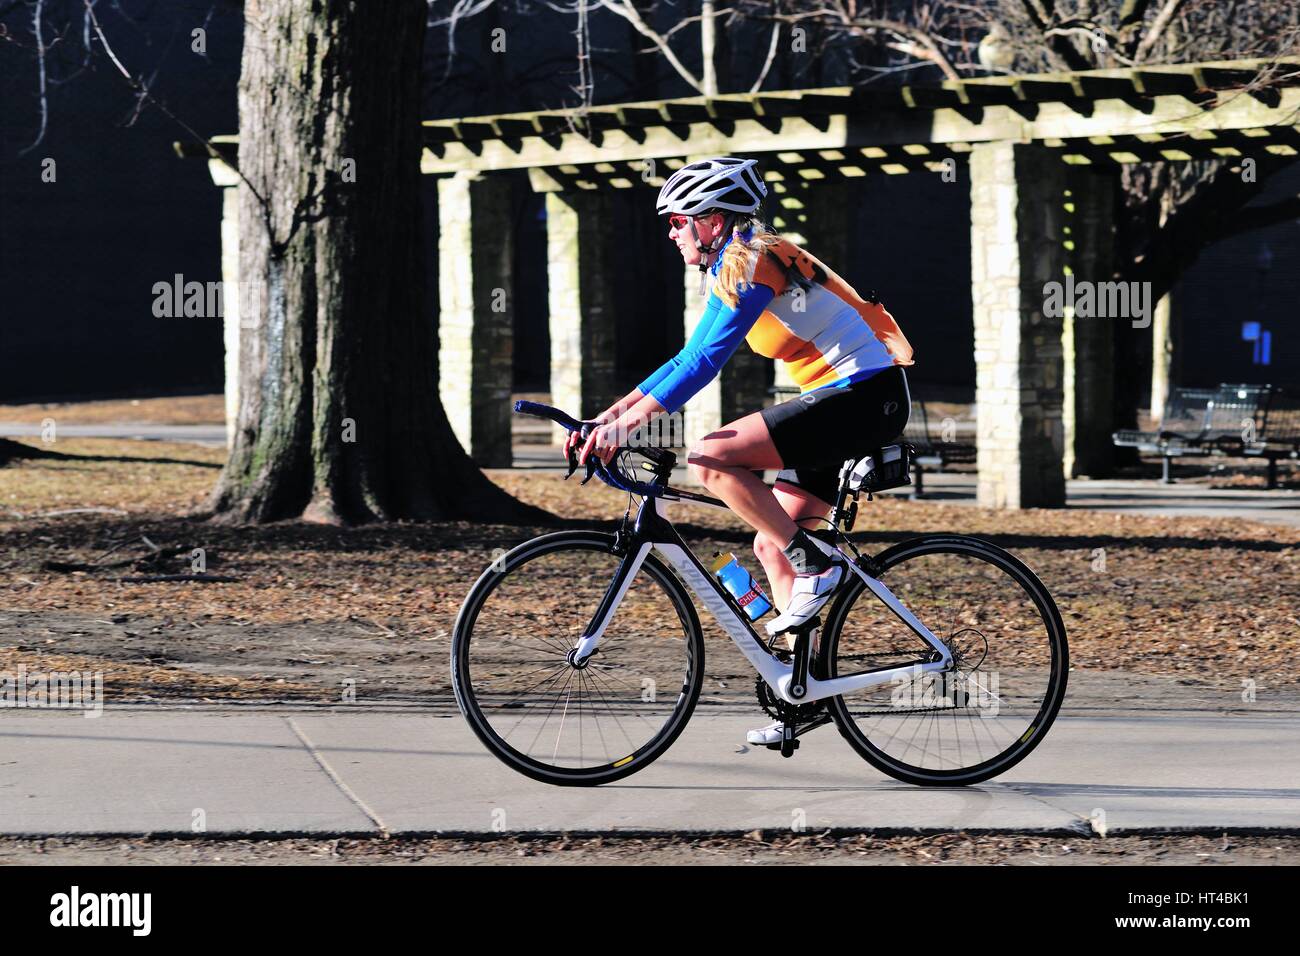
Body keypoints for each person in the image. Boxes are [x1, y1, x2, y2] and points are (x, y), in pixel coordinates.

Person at [571, 156, 915, 745]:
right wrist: (607, 418)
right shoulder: (735, 264)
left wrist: (627, 430)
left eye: (679, 220)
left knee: (709, 458)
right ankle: (802, 693)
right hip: (845, 397)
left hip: (862, 396)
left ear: (711, 220)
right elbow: (685, 357)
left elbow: (708, 364)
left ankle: (820, 566)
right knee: (771, 543)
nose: (672, 232)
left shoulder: (752, 260)